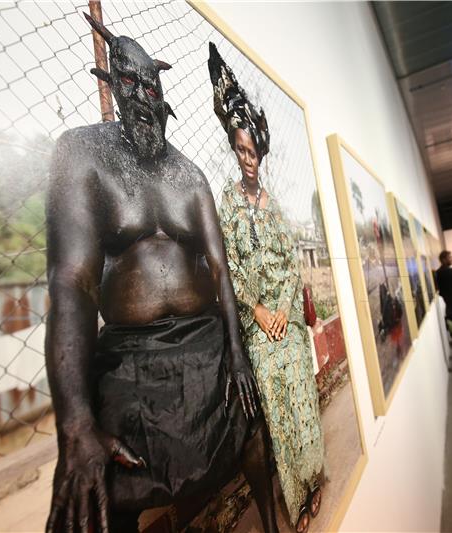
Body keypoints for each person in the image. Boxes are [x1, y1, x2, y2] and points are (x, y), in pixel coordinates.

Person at [44, 18, 278, 533]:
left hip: (204, 338)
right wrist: (75, 420)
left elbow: (220, 269)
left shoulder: (189, 176)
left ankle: (273, 525)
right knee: (108, 482)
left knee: (250, 423)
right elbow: (72, 282)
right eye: (131, 85)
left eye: (152, 86)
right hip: (130, 353)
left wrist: (237, 354)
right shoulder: (84, 154)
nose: (145, 98)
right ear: (111, 83)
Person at [210, 43, 324, 532]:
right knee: (278, 416)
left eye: (253, 150)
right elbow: (228, 265)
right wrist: (257, 310)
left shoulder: (275, 205)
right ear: (234, 151)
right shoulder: (226, 202)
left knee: (304, 407)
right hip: (259, 330)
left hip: (289, 325)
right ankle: (296, 499)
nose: (248, 159)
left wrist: (281, 308)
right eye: (240, 150)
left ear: (262, 149)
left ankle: (315, 480)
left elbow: (291, 266)